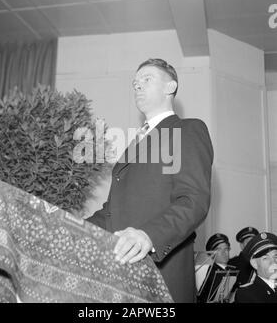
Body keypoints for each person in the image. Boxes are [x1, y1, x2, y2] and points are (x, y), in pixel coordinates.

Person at [87, 58, 213, 302]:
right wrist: (69, 224)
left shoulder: (187, 130)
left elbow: (193, 200)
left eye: (147, 79)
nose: (138, 86)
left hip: (160, 277)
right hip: (121, 277)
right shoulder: (135, 143)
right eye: (135, 83)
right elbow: (113, 212)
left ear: (170, 87)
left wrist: (149, 236)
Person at [234, 232, 277, 303]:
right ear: (254, 264)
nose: (274, 262)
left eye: (276, 256)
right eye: (265, 258)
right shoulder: (246, 294)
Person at [197, 233, 234, 303]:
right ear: (211, 253)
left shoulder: (233, 270)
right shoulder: (211, 273)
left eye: (226, 249)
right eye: (219, 249)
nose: (224, 252)